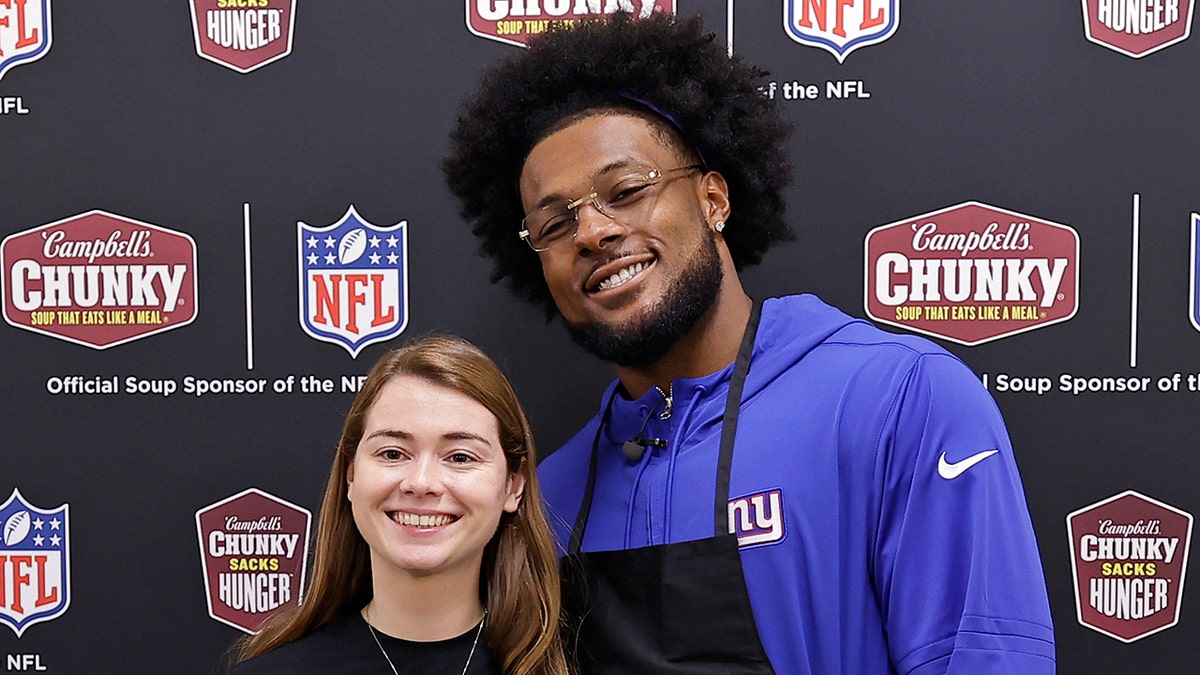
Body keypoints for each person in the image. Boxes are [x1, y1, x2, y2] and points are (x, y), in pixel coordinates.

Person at [443, 11, 1055, 675]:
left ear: (713, 200)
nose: (591, 231)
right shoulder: (549, 496)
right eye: (555, 223)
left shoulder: (899, 400)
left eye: (625, 190)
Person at [229, 336, 570, 674]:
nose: (421, 483)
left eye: (460, 457)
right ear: (351, 475)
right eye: (393, 454)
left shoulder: (571, 666)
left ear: (514, 485)